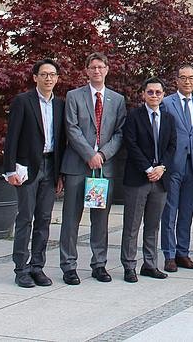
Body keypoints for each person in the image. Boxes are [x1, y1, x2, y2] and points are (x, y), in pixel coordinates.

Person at [59, 52, 127, 285]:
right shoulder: (74, 96)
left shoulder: (117, 100)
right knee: (71, 219)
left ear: (107, 69)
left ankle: (99, 264)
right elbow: (71, 128)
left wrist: (102, 154)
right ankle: (69, 265)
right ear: (86, 70)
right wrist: (89, 154)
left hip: (103, 168)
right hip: (78, 166)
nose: (97, 71)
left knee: (101, 219)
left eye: (101, 67)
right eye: (92, 67)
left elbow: (119, 133)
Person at [3, 59, 66, 288]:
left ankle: (37, 267)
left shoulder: (60, 104)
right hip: (28, 167)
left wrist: (61, 174)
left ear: (57, 78)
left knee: (44, 219)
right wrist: (9, 169)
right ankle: (21, 268)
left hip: (51, 166)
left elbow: (62, 140)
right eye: (44, 74)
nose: (48, 78)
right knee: (25, 218)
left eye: (52, 74)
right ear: (35, 77)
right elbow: (12, 137)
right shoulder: (23, 101)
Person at [121, 77, 176, 282]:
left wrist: (161, 167)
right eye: (150, 92)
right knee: (132, 225)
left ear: (163, 95)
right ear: (143, 94)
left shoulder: (169, 118)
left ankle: (150, 264)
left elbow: (172, 146)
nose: (154, 95)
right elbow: (131, 144)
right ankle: (129, 266)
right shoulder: (134, 116)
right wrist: (148, 168)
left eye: (158, 92)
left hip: (160, 180)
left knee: (153, 225)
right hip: (138, 178)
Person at [160, 65, 193, 272]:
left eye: (191, 78)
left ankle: (183, 253)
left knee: (187, 211)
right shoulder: (166, 103)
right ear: (176, 80)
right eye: (183, 78)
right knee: (170, 211)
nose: (188, 81)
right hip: (172, 164)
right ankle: (169, 254)